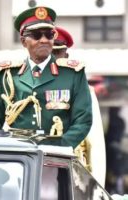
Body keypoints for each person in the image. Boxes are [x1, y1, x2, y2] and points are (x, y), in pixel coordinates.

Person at [0, 6, 92, 148]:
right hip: (18, 155)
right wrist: (1, 149)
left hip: (57, 156)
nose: (44, 40)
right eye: (37, 35)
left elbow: (83, 120)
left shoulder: (72, 74)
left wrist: (60, 148)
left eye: (49, 34)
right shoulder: (7, 75)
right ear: (23, 41)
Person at [53, 26, 106, 186]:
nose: (52, 59)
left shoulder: (84, 90)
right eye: (48, 54)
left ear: (66, 56)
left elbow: (95, 144)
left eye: (57, 53)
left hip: (73, 170)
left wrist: (97, 186)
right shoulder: (25, 87)